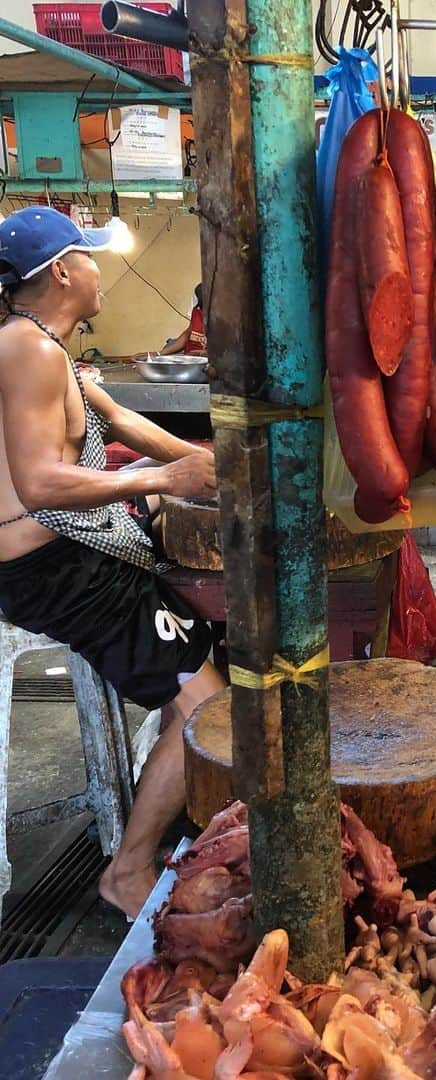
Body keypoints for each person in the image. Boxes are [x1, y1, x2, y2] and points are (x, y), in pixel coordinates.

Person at [0, 207, 226, 917]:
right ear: (62, 272)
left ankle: (175, 801)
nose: (102, 269)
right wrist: (164, 482)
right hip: (52, 571)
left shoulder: (45, 344)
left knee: (201, 658)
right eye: (89, 256)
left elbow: (126, 424)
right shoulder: (26, 350)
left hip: (66, 556)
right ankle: (128, 871)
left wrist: (212, 466)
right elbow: (39, 484)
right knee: (211, 707)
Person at [159, 282, 206, 356]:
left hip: (205, 359)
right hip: (189, 356)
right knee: (168, 346)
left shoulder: (225, 318)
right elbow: (189, 333)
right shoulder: (197, 310)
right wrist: (158, 354)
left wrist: (200, 353)